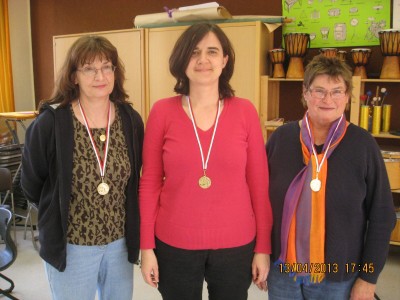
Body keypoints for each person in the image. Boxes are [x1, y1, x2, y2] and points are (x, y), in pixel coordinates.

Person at [139, 23, 273, 300]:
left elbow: (259, 185)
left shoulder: (245, 111)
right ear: (181, 60)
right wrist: (146, 246)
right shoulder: (162, 112)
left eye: (212, 51)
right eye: (194, 52)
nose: (203, 60)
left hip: (235, 244)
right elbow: (149, 182)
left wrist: (263, 248)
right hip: (174, 243)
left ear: (224, 60)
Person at [21, 35, 144, 300]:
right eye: (89, 68)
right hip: (72, 245)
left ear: (115, 72)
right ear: (74, 76)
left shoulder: (130, 120)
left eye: (106, 66)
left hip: (119, 246)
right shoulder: (50, 123)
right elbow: (31, 184)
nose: (100, 75)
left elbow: (135, 180)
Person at [266, 54, 396, 300]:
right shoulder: (280, 139)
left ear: (347, 97)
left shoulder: (363, 144)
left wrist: (368, 279)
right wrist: (260, 253)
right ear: (305, 93)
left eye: (337, 91)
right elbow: (260, 204)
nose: (328, 99)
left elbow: (382, 216)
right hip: (283, 271)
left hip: (338, 275)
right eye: (319, 91)